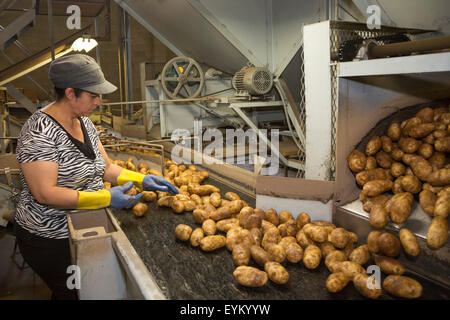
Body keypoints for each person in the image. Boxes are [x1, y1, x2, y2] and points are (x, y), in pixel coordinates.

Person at [14, 54, 178, 300]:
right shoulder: (39, 131)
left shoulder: (85, 123)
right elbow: (45, 193)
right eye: (93, 96)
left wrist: (140, 179)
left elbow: (107, 168)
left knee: (94, 290)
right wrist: (104, 198)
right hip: (51, 237)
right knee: (72, 292)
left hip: (86, 225)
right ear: (70, 93)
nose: (99, 102)